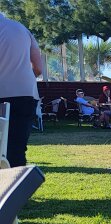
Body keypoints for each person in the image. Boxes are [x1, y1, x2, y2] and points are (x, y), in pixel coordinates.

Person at [0, 12, 43, 167]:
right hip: (24, 93)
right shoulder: (21, 29)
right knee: (16, 150)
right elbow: (38, 68)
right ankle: (15, 187)